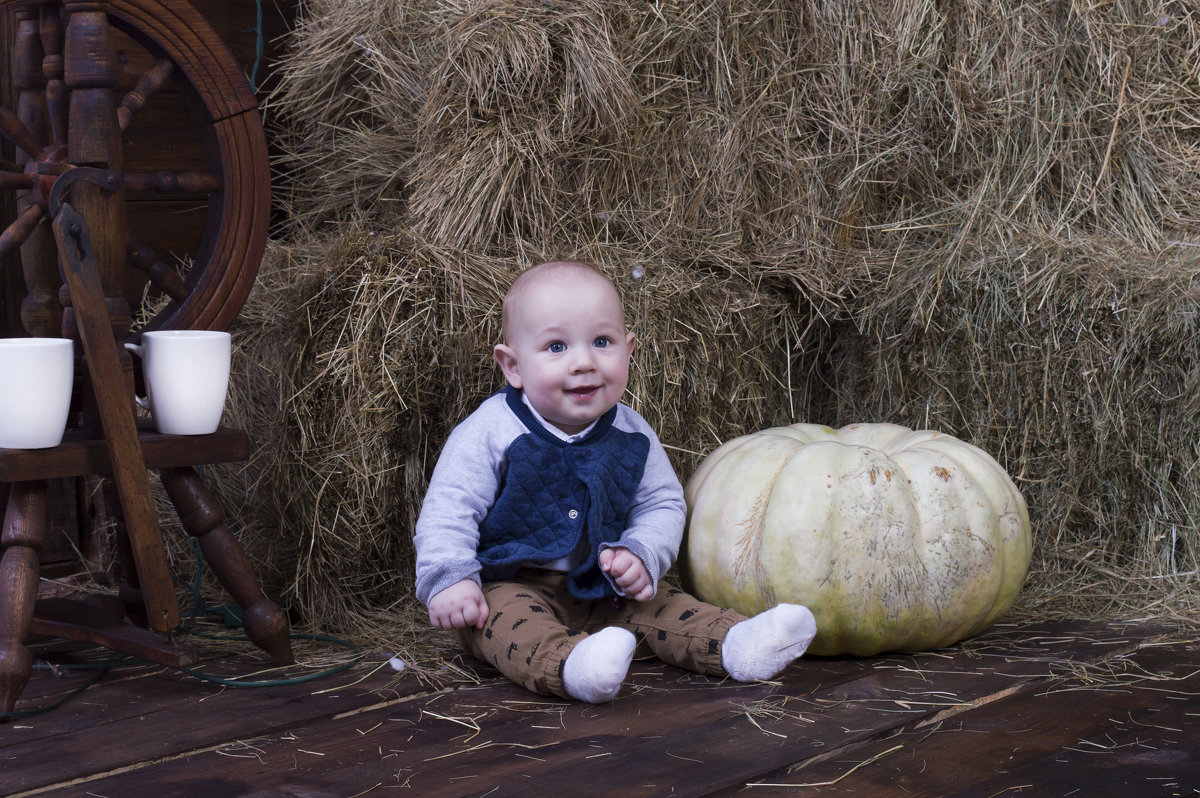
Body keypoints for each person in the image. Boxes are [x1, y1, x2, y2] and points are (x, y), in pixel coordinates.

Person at [413, 260, 816, 702]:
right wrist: (450, 578)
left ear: (628, 350)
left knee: (666, 606)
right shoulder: (491, 431)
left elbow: (662, 503)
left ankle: (738, 645)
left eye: (601, 342)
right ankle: (572, 666)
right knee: (505, 625)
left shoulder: (632, 433)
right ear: (513, 366)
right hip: (508, 585)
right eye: (555, 347)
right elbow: (450, 508)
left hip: (604, 587)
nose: (584, 362)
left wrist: (641, 552)